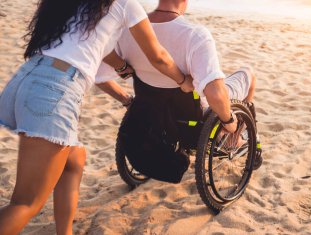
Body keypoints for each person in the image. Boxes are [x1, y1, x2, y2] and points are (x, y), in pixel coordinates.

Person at [0, 0, 194, 234]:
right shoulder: (125, 4)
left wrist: (121, 67)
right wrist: (183, 81)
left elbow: (94, 44)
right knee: (26, 203)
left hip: (28, 78)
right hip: (54, 90)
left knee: (74, 160)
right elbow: (158, 56)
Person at [97, 0, 257, 134]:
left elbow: (99, 77)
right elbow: (214, 94)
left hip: (153, 110)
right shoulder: (195, 35)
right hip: (193, 119)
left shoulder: (127, 31)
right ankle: (237, 135)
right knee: (248, 73)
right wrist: (228, 120)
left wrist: (126, 101)